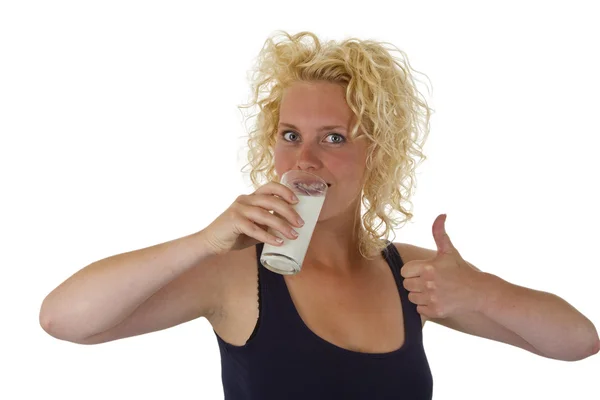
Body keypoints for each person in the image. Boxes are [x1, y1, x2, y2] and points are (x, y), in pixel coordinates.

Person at [39, 31, 599, 399]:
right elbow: (63, 320)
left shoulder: (412, 277)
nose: (304, 159)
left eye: (334, 137)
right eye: (290, 136)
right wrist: (205, 241)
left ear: (375, 153)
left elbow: (578, 342)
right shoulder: (234, 274)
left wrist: (481, 291)